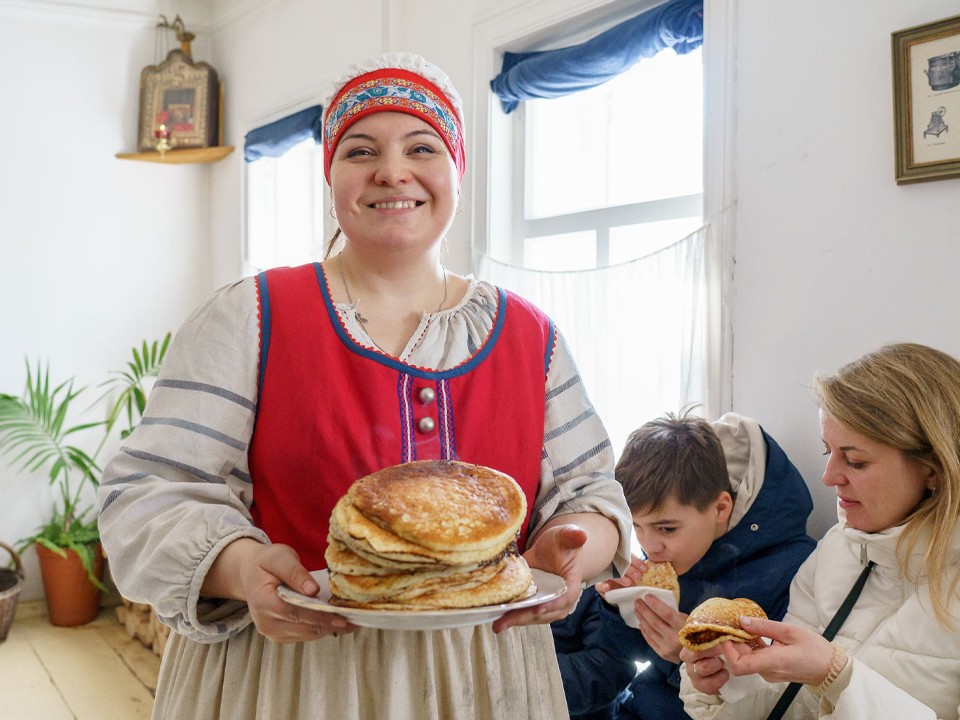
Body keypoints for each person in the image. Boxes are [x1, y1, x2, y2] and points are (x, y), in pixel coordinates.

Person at [97, 52, 633, 720]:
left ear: (456, 172)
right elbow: (147, 495)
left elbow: (593, 494)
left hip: (483, 684)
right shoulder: (252, 318)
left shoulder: (532, 338)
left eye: (421, 146)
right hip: (292, 680)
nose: (392, 170)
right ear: (331, 177)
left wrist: (576, 543)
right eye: (360, 150)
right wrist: (241, 569)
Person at [679, 342, 960, 720]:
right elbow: (787, 702)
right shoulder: (837, 549)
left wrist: (839, 677)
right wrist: (731, 677)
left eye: (856, 461)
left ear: (933, 468)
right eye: (828, 452)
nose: (828, 478)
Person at [552, 410, 816, 719]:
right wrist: (616, 609)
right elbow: (625, 658)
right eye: (636, 526)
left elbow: (774, 701)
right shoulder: (671, 553)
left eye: (666, 529)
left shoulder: (793, 571)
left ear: (720, 509)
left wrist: (686, 657)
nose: (649, 546)